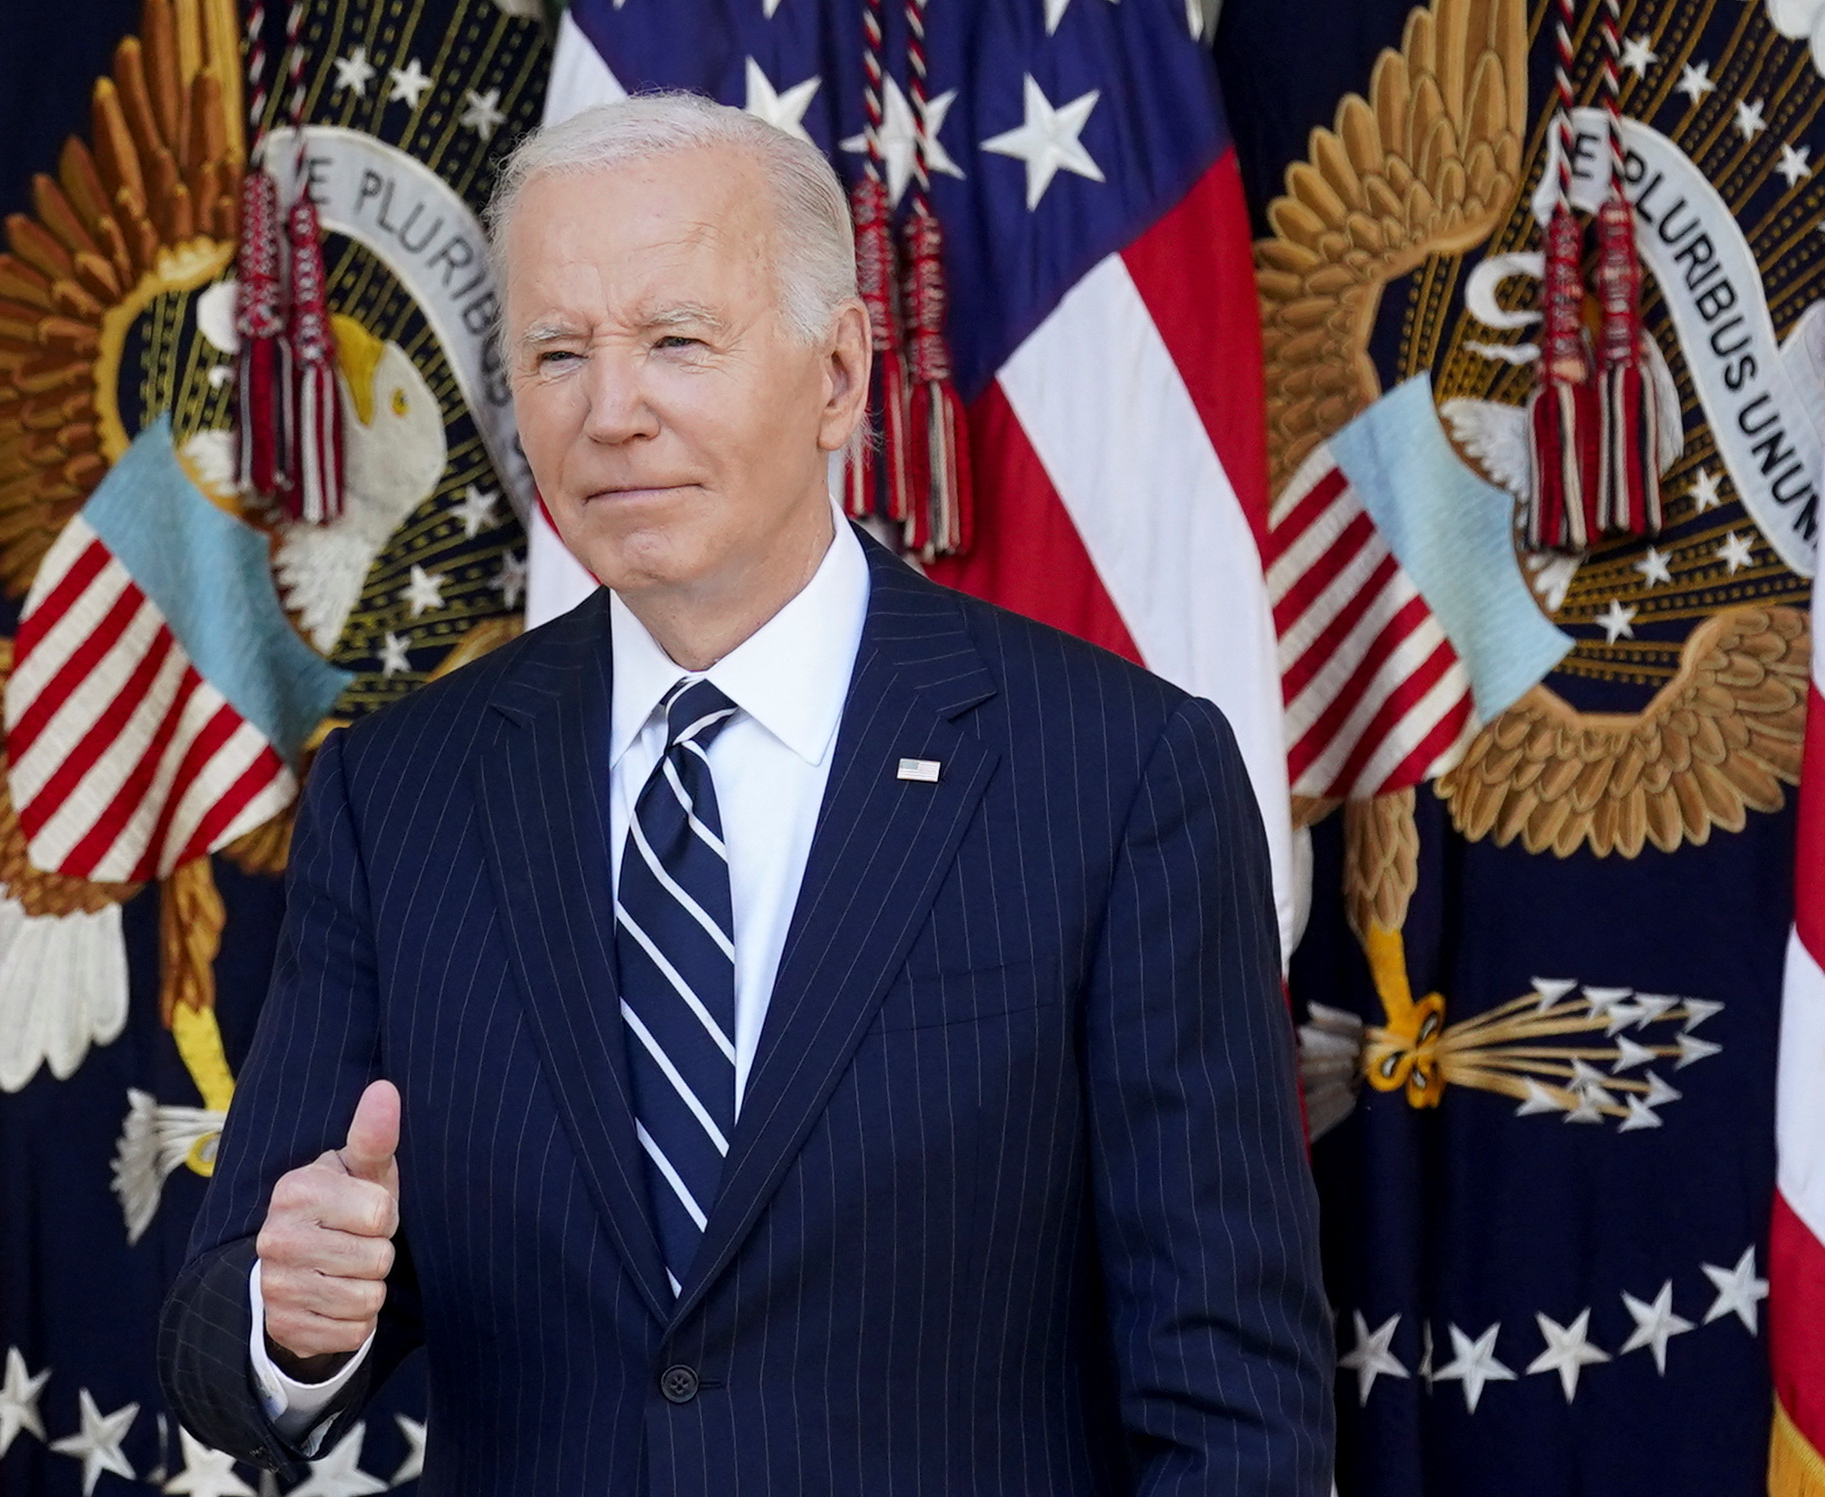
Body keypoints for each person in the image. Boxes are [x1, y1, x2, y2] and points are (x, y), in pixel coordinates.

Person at [159, 92, 1333, 1495]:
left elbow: (1229, 1401)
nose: (610, 413)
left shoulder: (1117, 774)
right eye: (554, 353)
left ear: (837, 372)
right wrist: (291, 1322)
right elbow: (228, 1336)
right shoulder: (395, 793)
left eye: (674, 342)